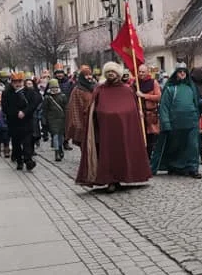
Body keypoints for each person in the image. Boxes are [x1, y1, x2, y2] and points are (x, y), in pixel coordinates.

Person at [76, 62, 151, 191]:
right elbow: (92, 109)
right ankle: (111, 180)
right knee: (108, 155)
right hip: (106, 131)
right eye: (108, 72)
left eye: (113, 72)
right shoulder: (100, 90)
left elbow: (132, 109)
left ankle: (127, 176)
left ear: (118, 74)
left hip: (124, 130)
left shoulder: (127, 90)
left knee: (124, 152)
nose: (111, 74)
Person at [151, 63, 202, 179]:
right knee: (175, 147)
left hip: (191, 122)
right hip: (175, 123)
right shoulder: (171, 89)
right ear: (176, 74)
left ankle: (193, 168)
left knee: (193, 146)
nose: (182, 73)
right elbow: (164, 107)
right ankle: (175, 166)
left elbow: (196, 102)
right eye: (180, 71)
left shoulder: (191, 88)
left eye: (184, 71)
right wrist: (165, 123)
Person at [3, 72, 41, 171]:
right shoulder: (7, 93)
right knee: (16, 144)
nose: (17, 84)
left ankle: (28, 160)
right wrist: (16, 113)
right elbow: (5, 108)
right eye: (15, 82)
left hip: (27, 121)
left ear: (23, 81)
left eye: (19, 81)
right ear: (11, 83)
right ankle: (19, 161)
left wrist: (25, 112)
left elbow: (34, 104)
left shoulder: (30, 92)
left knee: (27, 142)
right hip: (14, 122)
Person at [135, 64, 161, 159]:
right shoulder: (135, 83)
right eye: (139, 72)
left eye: (143, 72)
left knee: (150, 140)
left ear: (147, 72)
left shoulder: (153, 83)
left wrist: (144, 96)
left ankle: (149, 159)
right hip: (139, 115)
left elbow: (158, 97)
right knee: (139, 139)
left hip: (151, 115)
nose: (141, 74)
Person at [66, 65, 95, 148]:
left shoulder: (95, 87)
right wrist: (78, 125)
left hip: (94, 121)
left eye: (90, 74)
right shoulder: (77, 90)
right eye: (86, 75)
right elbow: (74, 108)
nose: (89, 77)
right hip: (83, 122)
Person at [43, 78, 68, 161]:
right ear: (50, 88)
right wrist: (44, 120)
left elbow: (66, 108)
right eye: (52, 87)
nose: (54, 89)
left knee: (61, 136)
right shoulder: (47, 98)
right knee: (55, 136)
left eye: (55, 87)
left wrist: (67, 117)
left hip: (61, 118)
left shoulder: (63, 96)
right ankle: (56, 152)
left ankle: (60, 148)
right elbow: (45, 110)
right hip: (52, 119)